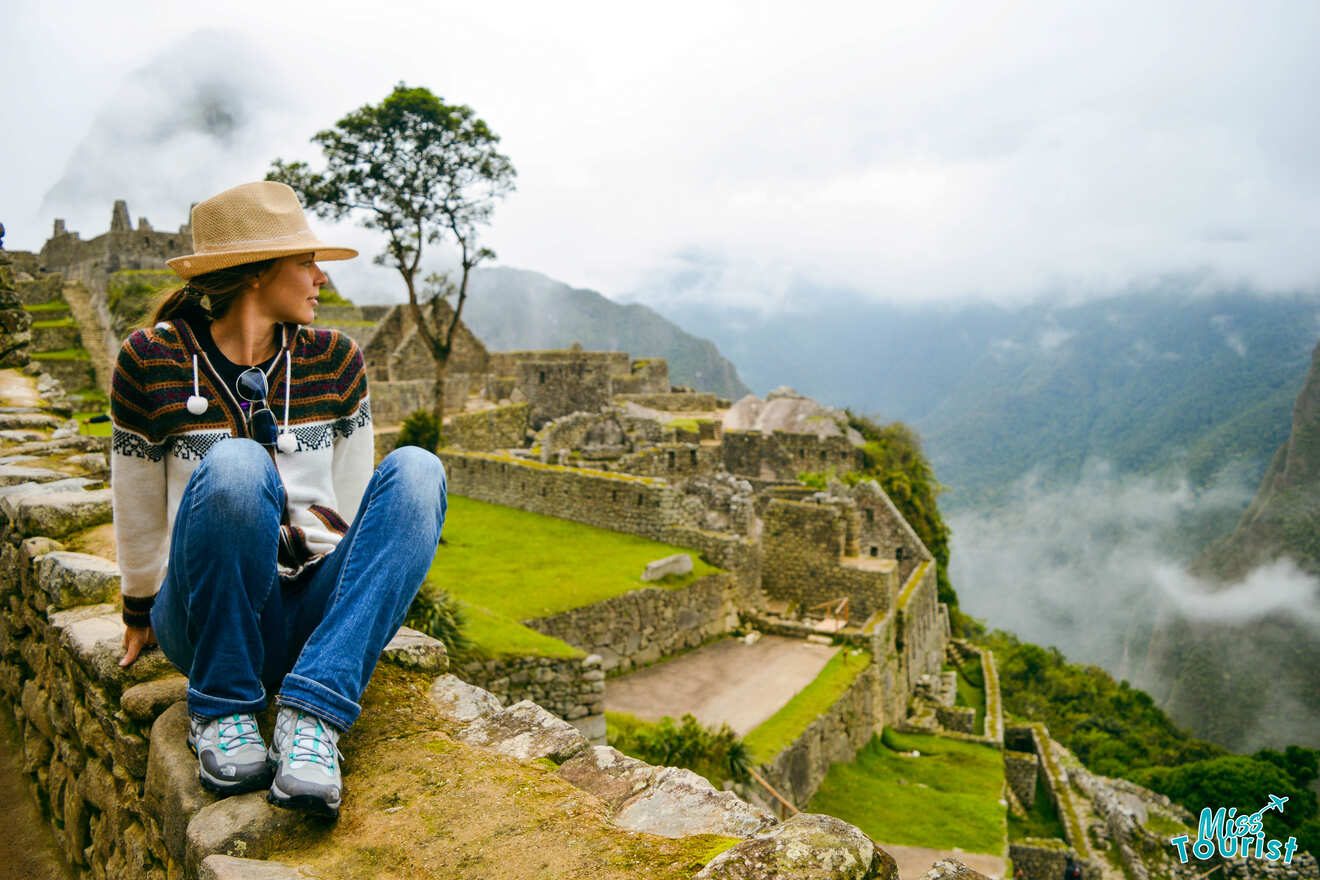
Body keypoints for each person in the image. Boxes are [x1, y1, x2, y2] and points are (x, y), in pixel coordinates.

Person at [112, 180, 447, 818]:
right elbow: (135, 503)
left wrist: (349, 608)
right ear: (258, 273)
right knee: (237, 462)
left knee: (419, 471)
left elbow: (352, 512)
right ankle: (224, 707)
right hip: (208, 614)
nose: (321, 276)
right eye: (305, 262)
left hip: (312, 614)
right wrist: (138, 610)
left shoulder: (337, 360)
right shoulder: (151, 360)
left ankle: (313, 713)